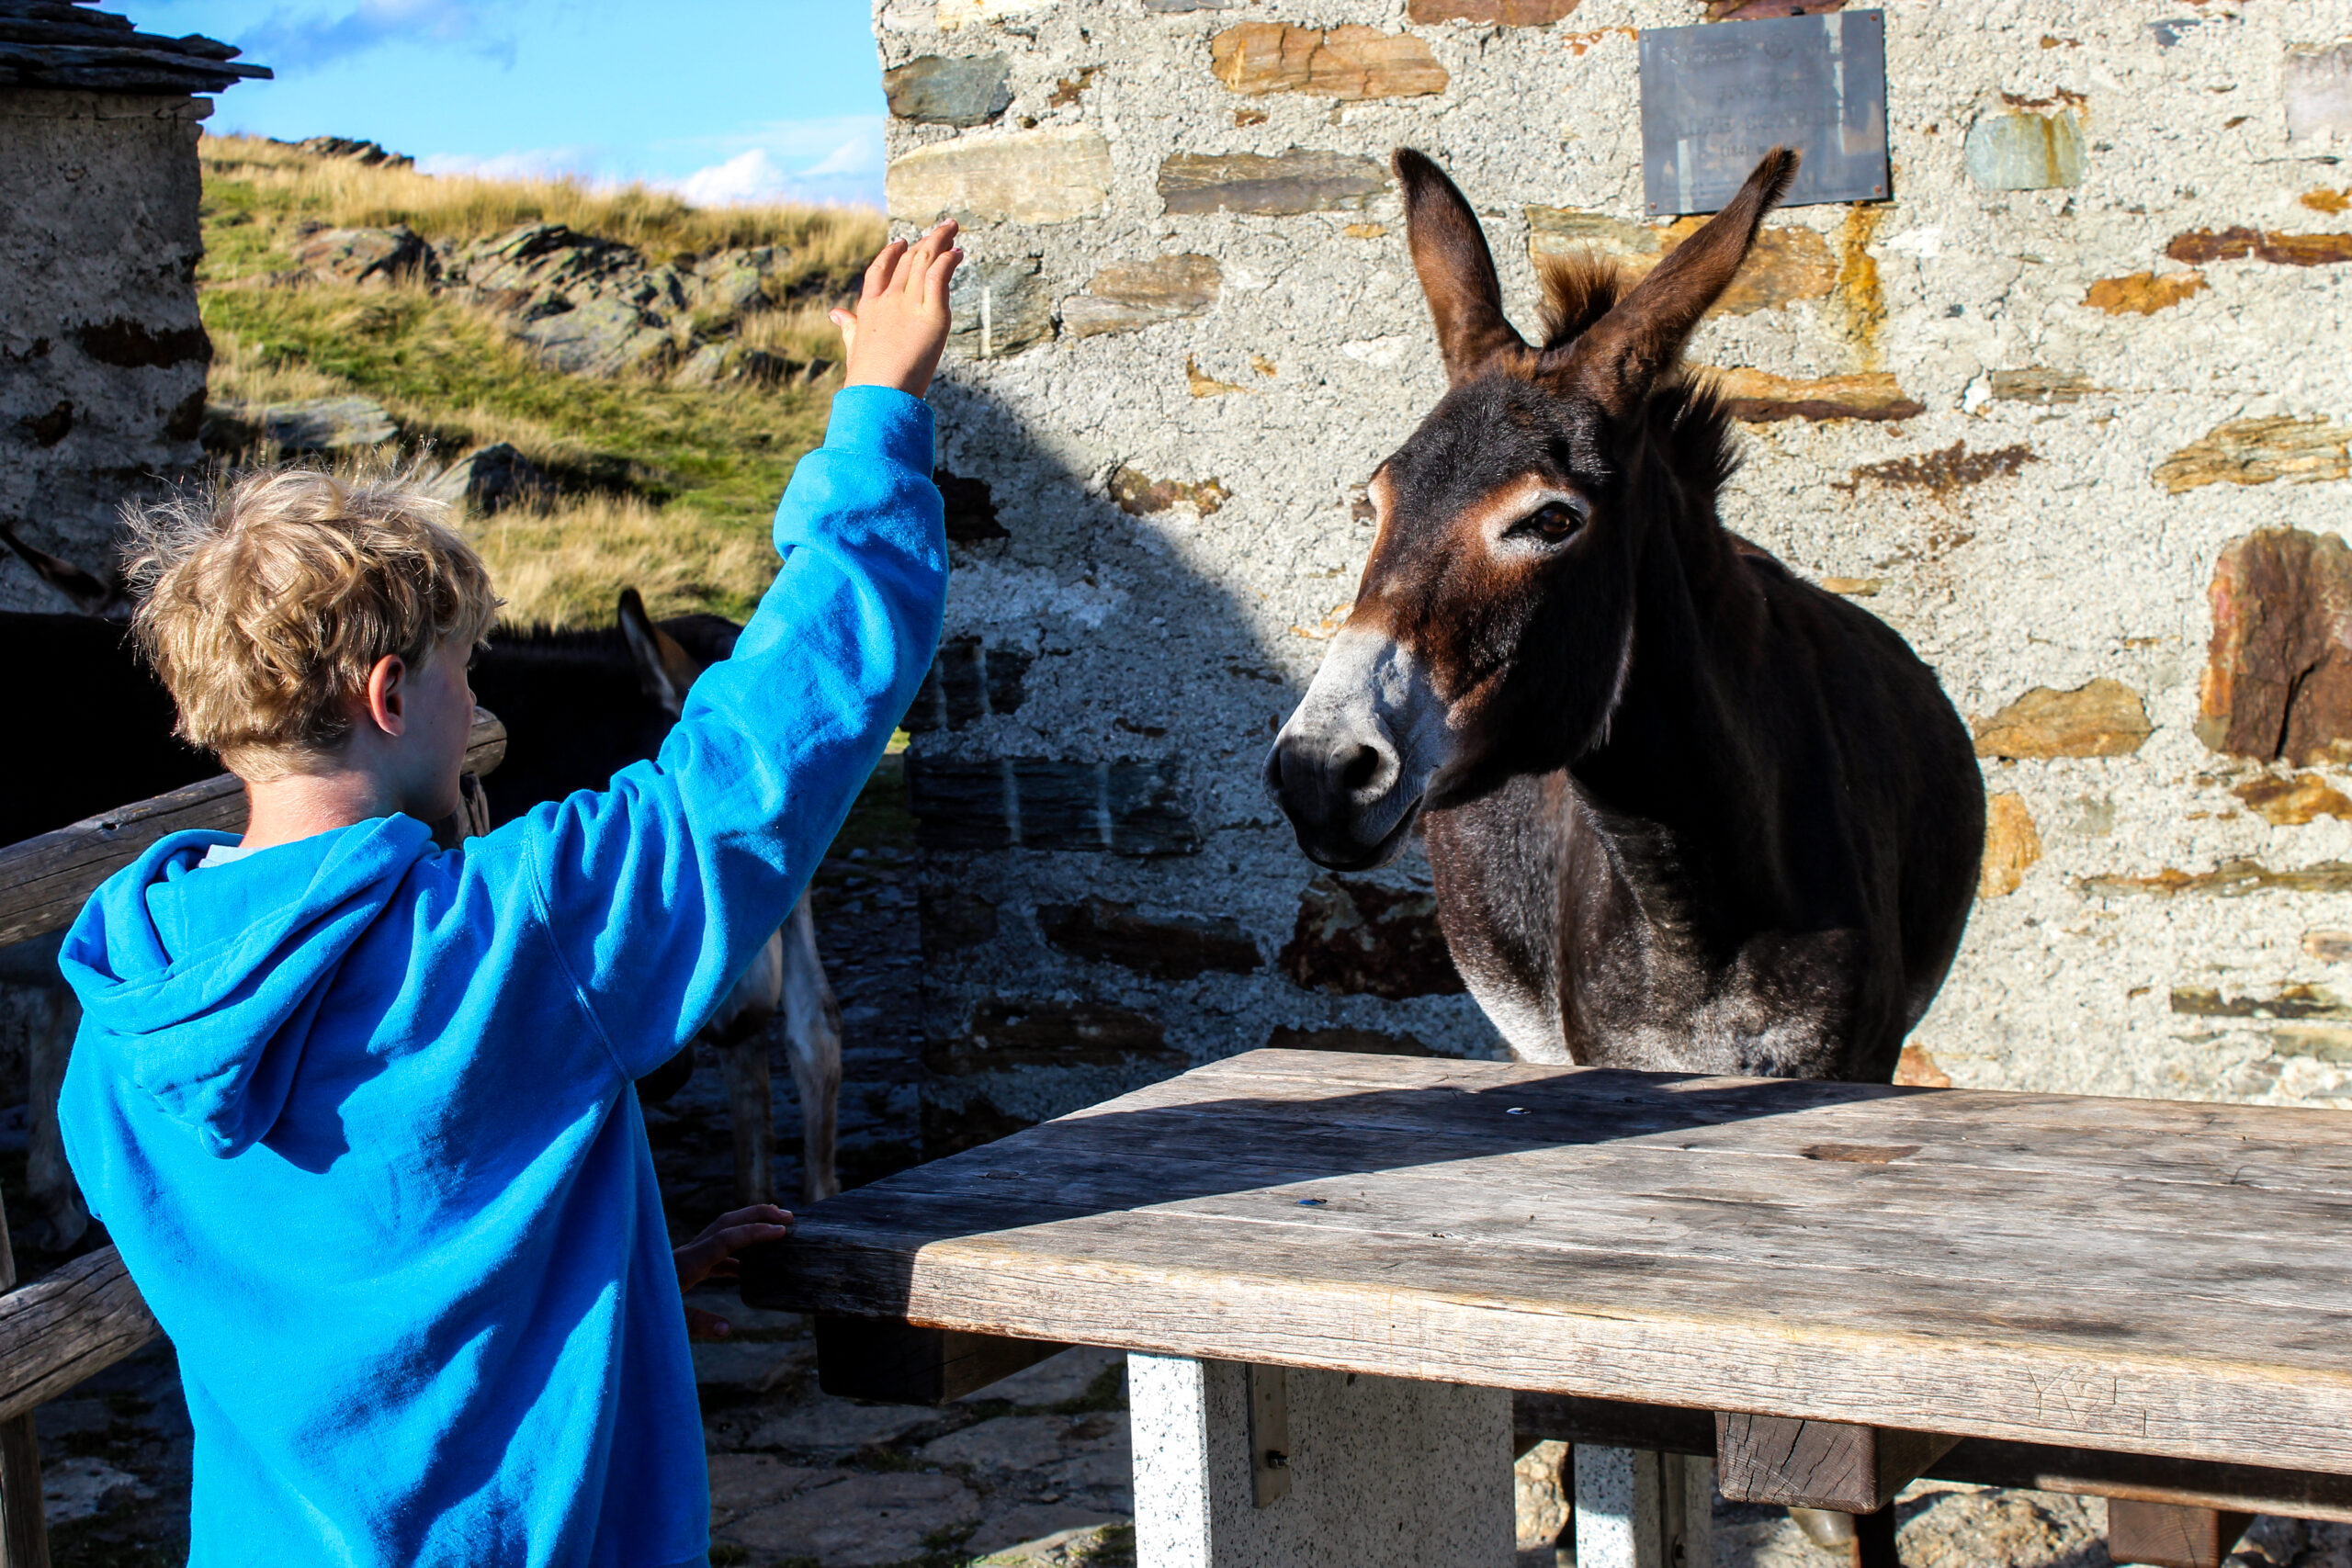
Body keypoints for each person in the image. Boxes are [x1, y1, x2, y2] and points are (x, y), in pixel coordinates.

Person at [54, 221, 964, 1566]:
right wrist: (878, 412)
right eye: (463, 669)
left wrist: (602, 1267)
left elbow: (351, 1287)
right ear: (388, 695)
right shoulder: (510, 938)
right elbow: (775, 741)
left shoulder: (116, 1036)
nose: (480, 702)